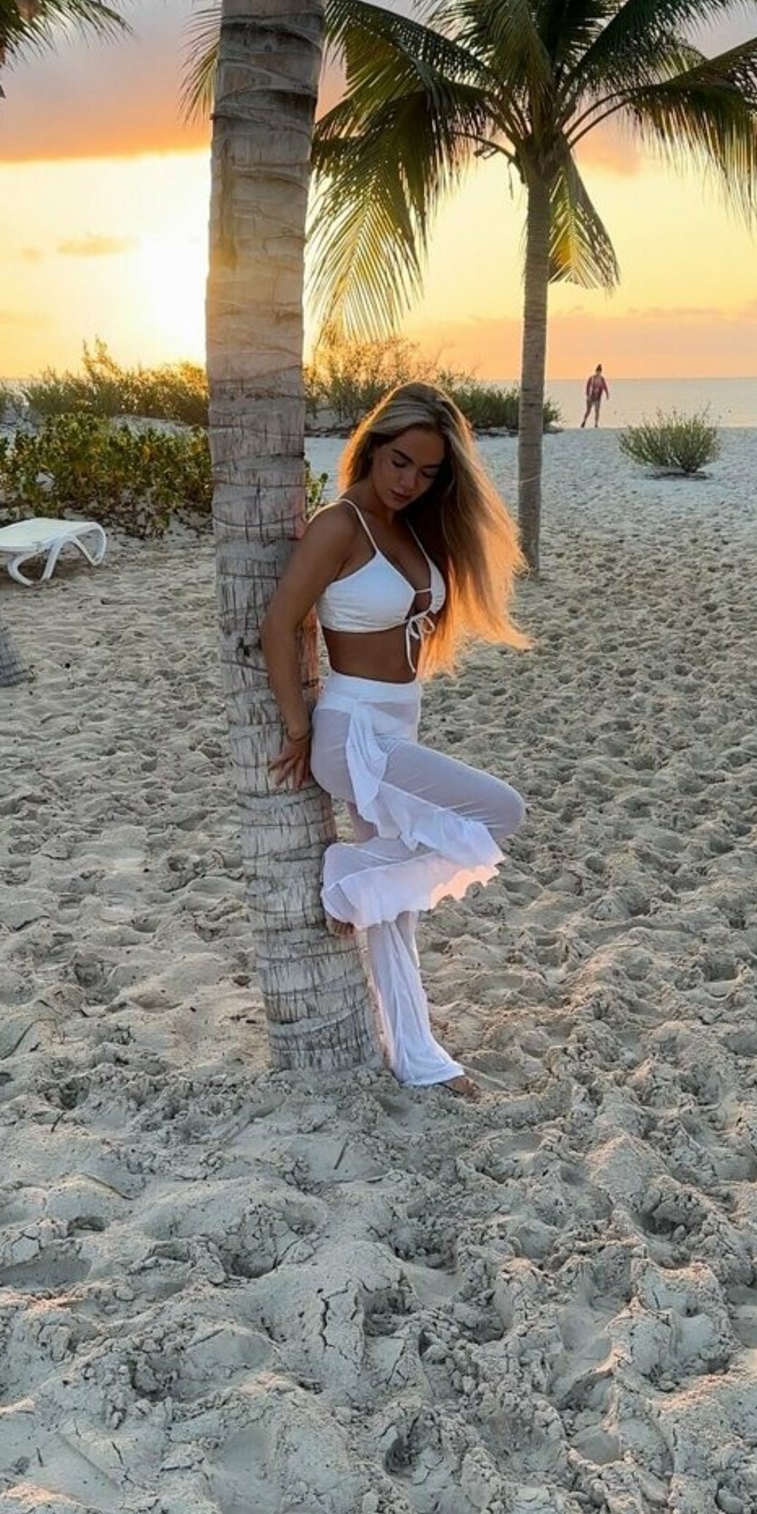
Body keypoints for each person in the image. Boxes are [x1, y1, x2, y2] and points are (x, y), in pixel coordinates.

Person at [260, 383, 529, 1101]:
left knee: (396, 914)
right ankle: (350, 877)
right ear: (373, 447)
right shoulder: (339, 525)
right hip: (352, 734)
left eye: (428, 472)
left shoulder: (410, 526)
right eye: (400, 462)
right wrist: (298, 726)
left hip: (397, 724)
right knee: (501, 811)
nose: (409, 481)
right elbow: (278, 623)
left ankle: (419, 1057)